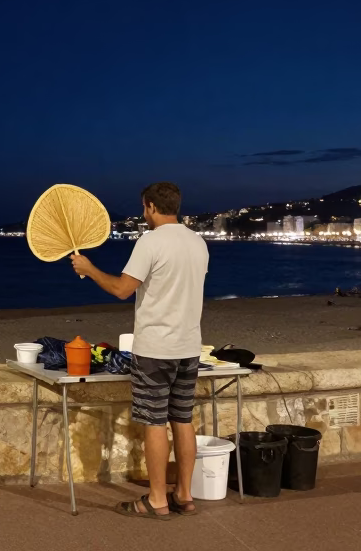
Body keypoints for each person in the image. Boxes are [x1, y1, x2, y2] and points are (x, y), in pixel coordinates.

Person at [71, 182, 208, 520]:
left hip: (156, 350)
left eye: (144, 209)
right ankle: (185, 495)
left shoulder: (150, 242)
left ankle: (157, 499)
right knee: (183, 419)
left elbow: (122, 288)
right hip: (189, 347)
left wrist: (89, 270)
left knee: (154, 422)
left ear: (149, 207)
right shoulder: (198, 242)